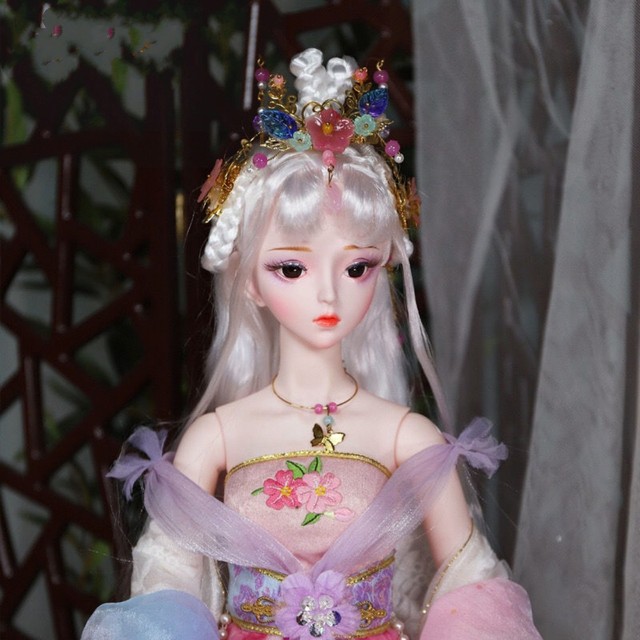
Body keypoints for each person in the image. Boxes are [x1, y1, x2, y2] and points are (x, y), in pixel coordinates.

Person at [82, 49, 541, 639]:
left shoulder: (407, 437)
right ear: (249, 281)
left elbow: (470, 586)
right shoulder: (217, 435)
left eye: (357, 267)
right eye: (291, 269)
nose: (328, 293)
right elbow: (168, 581)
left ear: (383, 269)